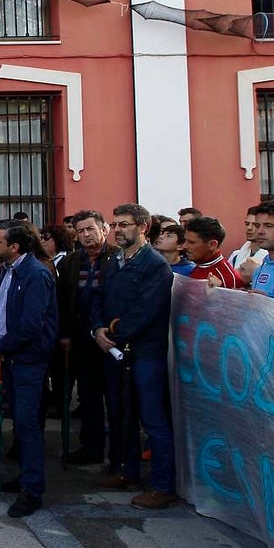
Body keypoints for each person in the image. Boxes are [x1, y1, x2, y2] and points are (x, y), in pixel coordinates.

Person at [95, 203, 178, 511]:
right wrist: (97, 329)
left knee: (153, 420)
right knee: (120, 415)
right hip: (115, 353)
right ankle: (126, 470)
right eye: (115, 224)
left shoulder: (156, 265)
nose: (118, 230)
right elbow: (98, 297)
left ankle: (162, 485)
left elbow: (147, 309)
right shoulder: (113, 261)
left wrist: (115, 331)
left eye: (125, 224)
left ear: (143, 228)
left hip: (145, 353)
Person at [0, 220, 57, 518]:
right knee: (20, 422)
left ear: (14, 246)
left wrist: (2, 346)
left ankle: (32, 488)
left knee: (28, 425)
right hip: (9, 357)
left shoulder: (36, 274)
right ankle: (26, 477)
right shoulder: (8, 270)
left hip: (28, 360)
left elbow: (31, 325)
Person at [58, 210, 117, 466]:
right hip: (81, 337)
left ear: (104, 229)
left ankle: (119, 452)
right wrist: (65, 333)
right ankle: (90, 447)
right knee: (88, 396)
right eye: (80, 231)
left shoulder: (117, 257)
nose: (85, 235)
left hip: (111, 338)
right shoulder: (70, 263)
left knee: (115, 398)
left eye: (90, 229)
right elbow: (63, 300)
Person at [181, 216, 245, 289]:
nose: (184, 246)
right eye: (185, 240)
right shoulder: (199, 266)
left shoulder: (228, 279)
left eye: (191, 242)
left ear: (212, 245)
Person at [228, 205, 267, 285]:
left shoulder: (269, 257)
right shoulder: (236, 255)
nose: (249, 228)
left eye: (255, 225)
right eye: (247, 224)